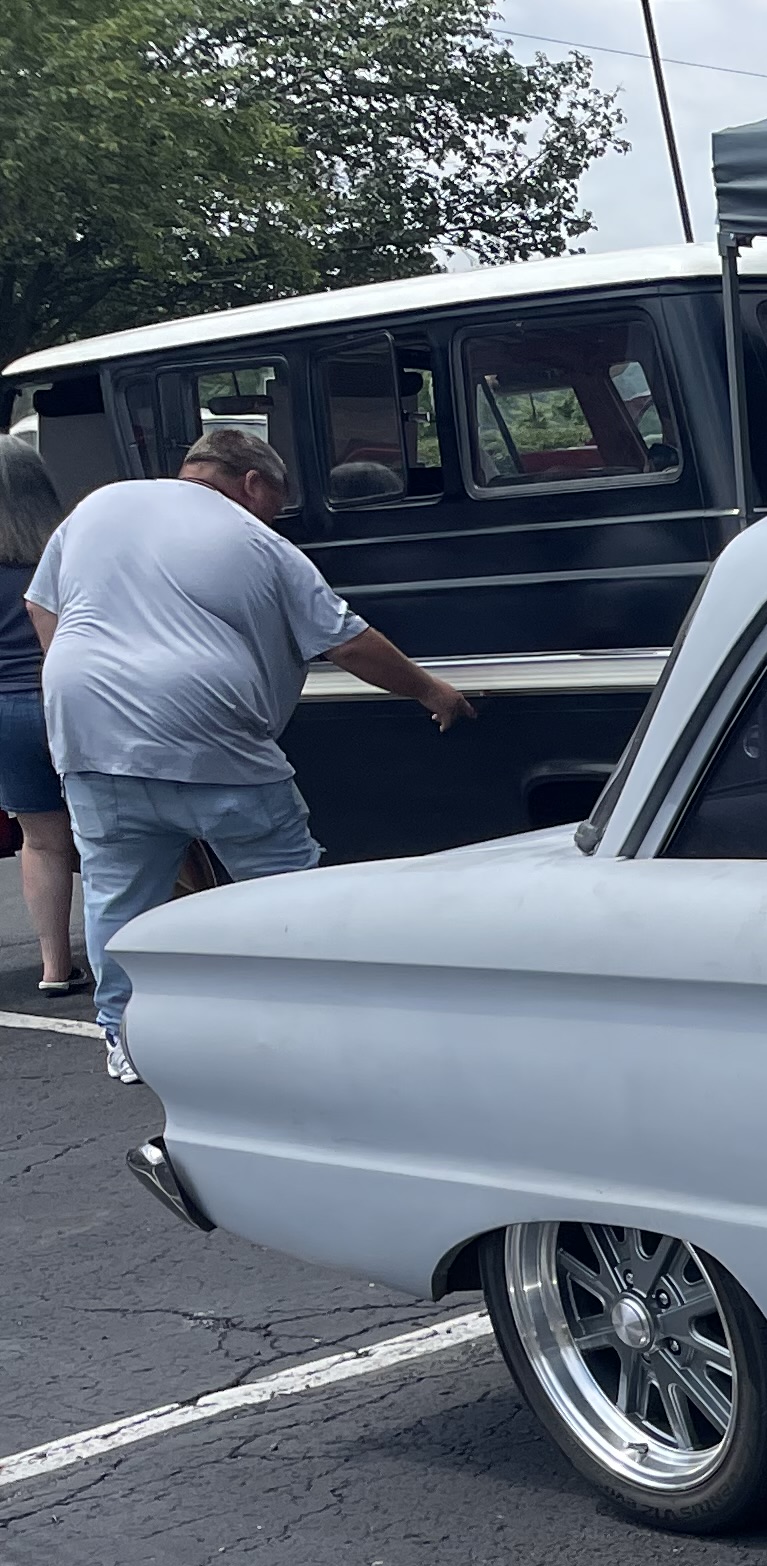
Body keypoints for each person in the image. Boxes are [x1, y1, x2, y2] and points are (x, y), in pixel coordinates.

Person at [20, 425, 472, 1079]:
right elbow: (346, 642)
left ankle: (124, 1037)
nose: (275, 519)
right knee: (286, 887)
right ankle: (315, 1020)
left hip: (90, 736)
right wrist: (433, 691)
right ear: (253, 483)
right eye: (276, 504)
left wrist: (77, 675)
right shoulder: (257, 540)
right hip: (211, 740)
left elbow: (41, 603)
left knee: (118, 896)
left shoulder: (100, 506)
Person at [0, 436, 80, 1000]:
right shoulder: (68, 555)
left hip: (5, 712)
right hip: (68, 701)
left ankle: (55, 967)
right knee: (111, 834)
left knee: (42, 841)